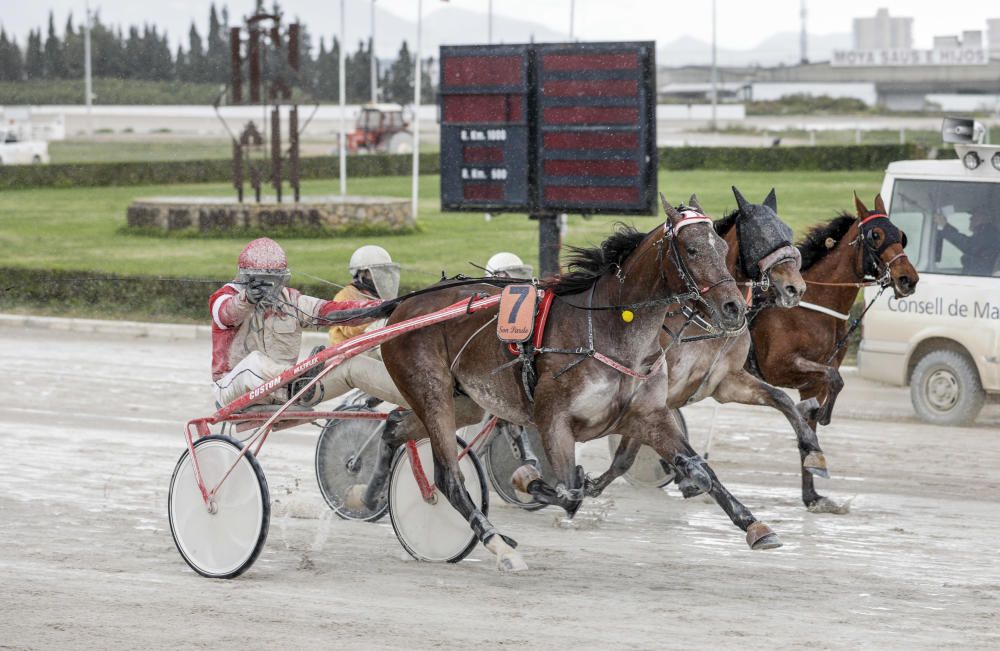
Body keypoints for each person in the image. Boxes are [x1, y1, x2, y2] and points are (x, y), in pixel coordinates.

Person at [210, 237, 400, 408]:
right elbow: (226, 314)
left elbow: (332, 311)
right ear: (246, 277)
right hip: (232, 389)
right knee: (253, 362)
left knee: (353, 364)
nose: (269, 286)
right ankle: (297, 382)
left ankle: (413, 400)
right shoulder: (224, 297)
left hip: (290, 388)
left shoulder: (291, 300)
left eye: (274, 280)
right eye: (262, 280)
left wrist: (380, 309)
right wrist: (247, 299)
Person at [329, 245, 401, 346]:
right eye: (377, 272)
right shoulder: (345, 296)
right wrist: (376, 315)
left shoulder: (379, 294)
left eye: (384, 272)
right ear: (361, 274)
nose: (382, 276)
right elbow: (349, 330)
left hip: (372, 349)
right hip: (350, 353)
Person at [935, 210, 1000, 276]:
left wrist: (944, 225)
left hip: (980, 279)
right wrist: (946, 227)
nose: (970, 218)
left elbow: (969, 245)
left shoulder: (989, 233)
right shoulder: (986, 232)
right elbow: (969, 243)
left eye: (975, 215)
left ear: (986, 218)